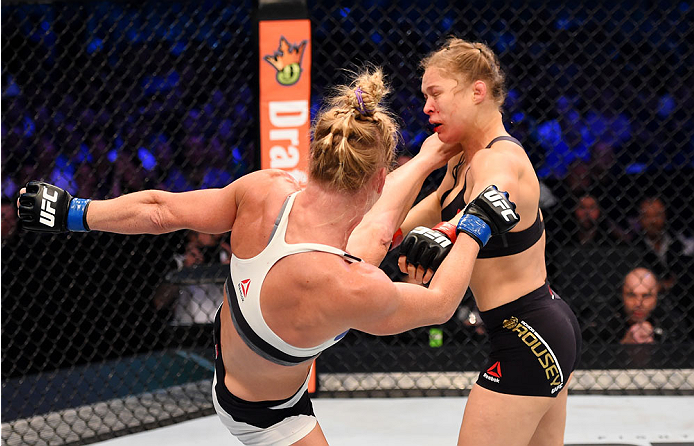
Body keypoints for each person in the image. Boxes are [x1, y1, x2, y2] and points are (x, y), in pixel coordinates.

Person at [17, 68, 519, 446]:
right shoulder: (348, 283)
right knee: (363, 256)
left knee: (365, 248)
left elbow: (159, 210)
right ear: (375, 177)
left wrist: (74, 211)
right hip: (266, 412)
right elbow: (437, 305)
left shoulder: (267, 189)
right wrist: (475, 226)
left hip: (246, 345)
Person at [397, 38, 582, 446]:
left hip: (528, 332)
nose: (426, 107)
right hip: (537, 327)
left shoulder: (501, 159)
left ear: (477, 91)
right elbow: (401, 224)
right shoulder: (461, 162)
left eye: (436, 94)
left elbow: (490, 201)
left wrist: (445, 233)